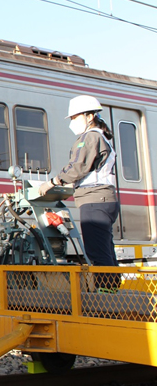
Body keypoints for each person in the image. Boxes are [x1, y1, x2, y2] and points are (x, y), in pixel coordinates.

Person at [39, 95, 120, 288]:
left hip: (95, 200)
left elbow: (78, 166)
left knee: (97, 251)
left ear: (90, 115)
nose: (72, 122)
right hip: (102, 199)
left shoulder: (91, 136)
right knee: (105, 249)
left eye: (75, 117)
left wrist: (52, 183)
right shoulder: (101, 136)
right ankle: (113, 292)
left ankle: (107, 297)